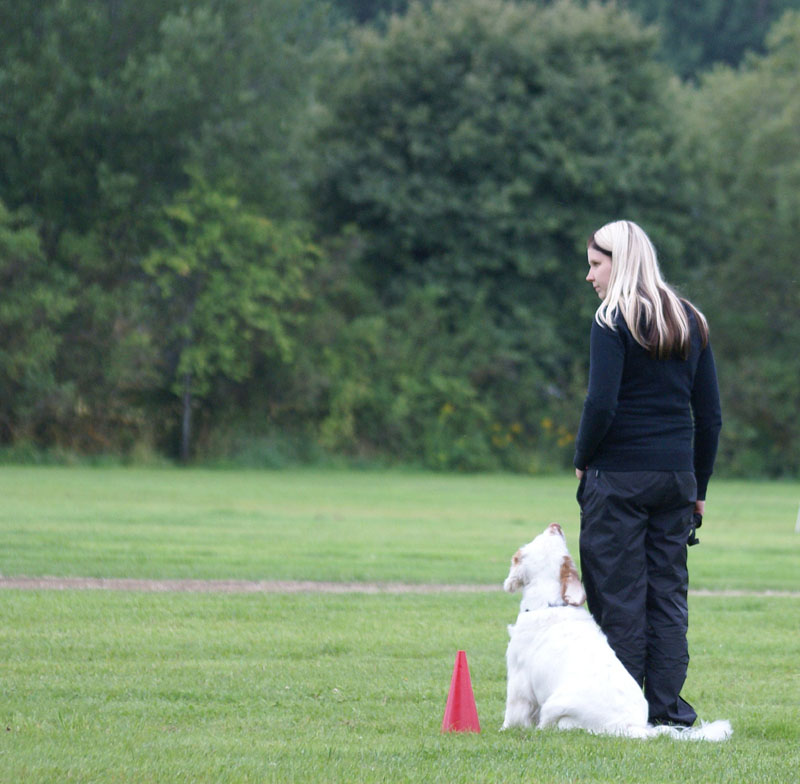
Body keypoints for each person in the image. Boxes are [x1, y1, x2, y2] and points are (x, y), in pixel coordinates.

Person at [574, 219, 721, 727]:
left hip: (618, 477)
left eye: (596, 263)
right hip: (676, 479)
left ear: (621, 262)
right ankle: (668, 714)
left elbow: (601, 404)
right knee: (667, 598)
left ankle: (622, 713)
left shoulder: (611, 317)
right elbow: (711, 416)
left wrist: (581, 457)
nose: (590, 275)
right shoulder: (691, 320)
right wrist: (698, 488)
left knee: (619, 597)